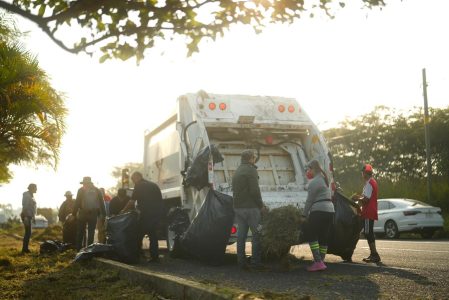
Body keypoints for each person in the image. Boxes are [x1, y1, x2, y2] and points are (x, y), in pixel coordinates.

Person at [232, 149, 266, 270]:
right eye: (254, 157)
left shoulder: (237, 171)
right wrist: (261, 205)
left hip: (238, 208)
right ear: (251, 158)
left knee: (241, 236)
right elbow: (254, 191)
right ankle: (256, 263)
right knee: (257, 234)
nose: (254, 159)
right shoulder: (251, 170)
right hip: (251, 208)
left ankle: (241, 262)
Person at [302, 160, 335, 272]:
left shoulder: (315, 182)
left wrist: (303, 215)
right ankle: (321, 261)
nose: (307, 172)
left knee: (311, 235)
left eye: (308, 169)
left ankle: (318, 261)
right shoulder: (324, 179)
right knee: (323, 236)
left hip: (319, 210)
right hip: (330, 210)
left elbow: (309, 201)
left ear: (313, 169)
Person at [130, 171, 164, 263]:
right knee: (153, 235)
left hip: (145, 214)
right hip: (156, 214)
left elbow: (132, 202)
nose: (133, 182)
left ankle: (137, 255)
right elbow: (160, 201)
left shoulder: (138, 185)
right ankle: (155, 257)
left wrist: (123, 211)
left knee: (138, 234)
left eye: (133, 180)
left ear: (137, 177)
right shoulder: (153, 185)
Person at [352, 164, 381, 263]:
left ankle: (374, 254)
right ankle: (373, 254)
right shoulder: (372, 182)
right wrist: (359, 197)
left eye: (362, 172)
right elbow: (365, 197)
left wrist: (357, 198)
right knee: (368, 232)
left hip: (368, 211)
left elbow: (366, 199)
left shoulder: (369, 183)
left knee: (368, 232)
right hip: (370, 210)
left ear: (365, 173)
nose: (362, 174)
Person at [72, 176, 106, 251]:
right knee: (91, 232)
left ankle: (78, 249)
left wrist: (73, 214)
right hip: (93, 213)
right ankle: (89, 250)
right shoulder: (97, 190)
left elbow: (77, 202)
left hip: (83, 213)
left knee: (80, 232)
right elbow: (102, 203)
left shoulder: (81, 190)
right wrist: (103, 214)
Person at [20, 183, 37, 253]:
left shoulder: (31, 195)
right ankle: (25, 249)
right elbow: (25, 207)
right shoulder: (27, 196)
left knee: (28, 233)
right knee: (28, 233)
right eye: (35, 188)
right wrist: (26, 217)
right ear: (32, 188)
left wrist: (33, 217)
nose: (36, 189)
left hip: (29, 216)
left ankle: (25, 248)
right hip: (26, 215)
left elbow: (32, 208)